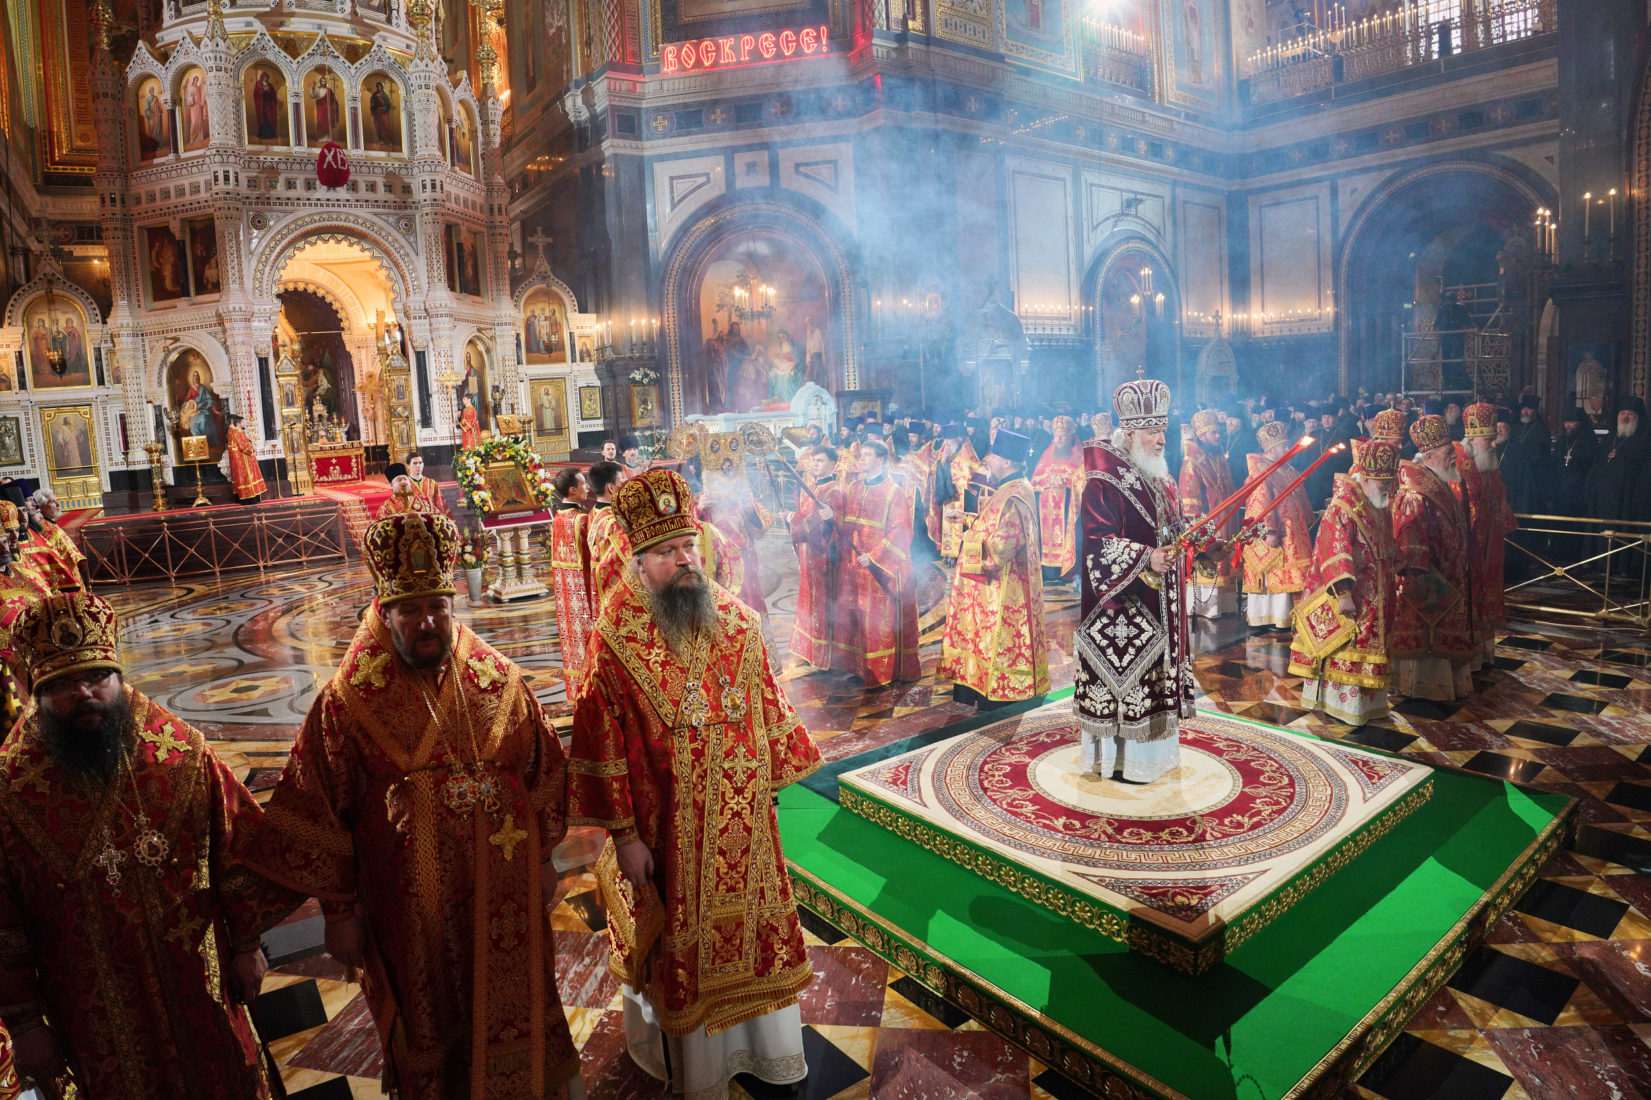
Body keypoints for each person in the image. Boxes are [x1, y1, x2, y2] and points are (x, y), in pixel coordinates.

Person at [246, 513, 584, 1099]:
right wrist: (340, 911)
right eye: (411, 611)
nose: (428, 622)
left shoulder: (499, 682)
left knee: (524, 1005)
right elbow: (318, 811)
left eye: (438, 607)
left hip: (505, 894)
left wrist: (547, 853)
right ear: (383, 612)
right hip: (411, 919)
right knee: (431, 1024)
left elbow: (544, 771)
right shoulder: (345, 704)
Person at [568, 469, 820, 1100]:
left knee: (757, 941)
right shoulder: (614, 640)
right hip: (668, 836)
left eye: (688, 546)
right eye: (665, 552)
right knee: (680, 956)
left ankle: (767, 1053)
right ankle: (698, 1069)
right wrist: (624, 837)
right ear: (639, 558)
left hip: (745, 834)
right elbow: (603, 750)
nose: (684, 560)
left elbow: (768, 709)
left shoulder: (737, 623)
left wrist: (769, 790)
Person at [0, 590, 302, 1098]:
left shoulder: (181, 755)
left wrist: (248, 944)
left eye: (97, 677)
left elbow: (239, 849)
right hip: (90, 1014)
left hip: (199, 986)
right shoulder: (9, 791)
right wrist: (26, 1023)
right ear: (36, 692)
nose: (84, 693)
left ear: (119, 676)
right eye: (63, 685)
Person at [1075, 376, 1193, 783]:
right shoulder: (1103, 481)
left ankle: (1154, 759)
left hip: (1161, 603)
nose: (1162, 440)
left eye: (1163, 430)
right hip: (1123, 607)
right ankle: (1122, 762)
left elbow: (1171, 528)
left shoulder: (1162, 477)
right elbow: (1094, 544)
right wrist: (1146, 557)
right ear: (1129, 432)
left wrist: (1194, 538)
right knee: (1129, 683)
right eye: (1152, 432)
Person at [1289, 439, 1401, 724]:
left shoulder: (1379, 503)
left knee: (1371, 650)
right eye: (1381, 483)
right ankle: (1344, 708)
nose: (1387, 489)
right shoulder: (1342, 507)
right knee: (1346, 648)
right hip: (1353, 596)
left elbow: (1386, 544)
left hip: (1377, 595)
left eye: (1390, 482)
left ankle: (1369, 707)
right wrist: (1343, 594)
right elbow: (1334, 552)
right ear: (1363, 479)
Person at [938, 429, 1048, 710]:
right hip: (992, 588)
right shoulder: (1009, 489)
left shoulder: (1015, 495)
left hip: (1005, 591)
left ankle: (997, 697)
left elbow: (1002, 546)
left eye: (993, 458)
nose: (987, 463)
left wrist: (966, 539)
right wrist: (968, 519)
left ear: (1007, 462)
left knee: (996, 643)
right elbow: (995, 524)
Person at [1391, 415, 1477, 702]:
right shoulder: (1415, 491)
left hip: (1450, 574)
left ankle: (1446, 683)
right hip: (1430, 576)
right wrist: (1417, 573)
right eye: (1447, 452)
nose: (1454, 455)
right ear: (1428, 455)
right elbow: (1409, 535)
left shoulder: (1441, 481)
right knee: (1427, 631)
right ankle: (1423, 687)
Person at [834, 438, 920, 686]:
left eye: (868, 455)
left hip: (881, 569)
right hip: (856, 564)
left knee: (880, 620)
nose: (861, 459)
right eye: (861, 455)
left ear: (881, 460)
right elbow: (845, 521)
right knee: (858, 616)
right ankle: (862, 669)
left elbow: (902, 532)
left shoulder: (894, 491)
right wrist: (834, 516)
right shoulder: (853, 488)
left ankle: (883, 672)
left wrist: (873, 557)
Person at [1457, 403, 1517, 667]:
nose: (1494, 446)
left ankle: (1481, 654)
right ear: (1472, 438)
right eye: (1489, 440)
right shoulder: (1457, 464)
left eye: (1494, 440)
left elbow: (1499, 500)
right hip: (1467, 550)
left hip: (1489, 549)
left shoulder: (1488, 465)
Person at [1241, 420, 1313, 630]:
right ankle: (1271, 617)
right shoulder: (1260, 470)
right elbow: (1259, 501)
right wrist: (1269, 530)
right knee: (1275, 571)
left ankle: (1286, 617)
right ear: (1272, 448)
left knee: (1290, 571)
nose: (1287, 448)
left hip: (1293, 530)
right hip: (1277, 532)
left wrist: (1308, 516)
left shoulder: (1287, 468)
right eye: (1283, 445)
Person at [1178, 408, 1242, 621]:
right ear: (1202, 436)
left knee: (1225, 561)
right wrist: (1199, 529)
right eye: (1213, 433)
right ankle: (1206, 608)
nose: (1218, 436)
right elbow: (1190, 502)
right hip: (1208, 524)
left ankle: (1223, 607)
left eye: (1218, 432)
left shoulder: (1219, 458)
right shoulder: (1192, 463)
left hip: (1226, 521)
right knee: (1210, 562)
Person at [788, 446, 847, 671]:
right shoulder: (811, 487)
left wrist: (791, 518)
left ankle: (824, 655)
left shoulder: (834, 491)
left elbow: (819, 525)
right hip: (808, 555)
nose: (815, 465)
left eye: (820, 461)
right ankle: (808, 649)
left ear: (833, 464)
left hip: (824, 557)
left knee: (822, 605)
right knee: (807, 602)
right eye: (813, 461)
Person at [551, 467, 596, 699]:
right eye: (583, 484)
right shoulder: (582, 520)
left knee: (574, 644)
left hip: (567, 600)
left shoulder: (558, 518)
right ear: (572, 490)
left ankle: (577, 690)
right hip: (585, 594)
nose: (587, 487)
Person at [1030, 416, 1085, 585]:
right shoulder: (1046, 458)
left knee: (1066, 537)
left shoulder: (1078, 458)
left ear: (1071, 438)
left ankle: (1065, 572)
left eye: (1063, 436)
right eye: (1057, 436)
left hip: (1067, 508)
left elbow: (1081, 483)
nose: (1059, 440)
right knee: (1044, 539)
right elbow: (1035, 483)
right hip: (1045, 510)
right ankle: (1047, 573)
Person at [1585, 396, 1651, 522]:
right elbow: (1596, 467)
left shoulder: (1646, 441)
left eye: (1630, 414)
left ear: (1638, 417)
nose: (1625, 417)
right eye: (1622, 413)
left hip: (1628, 499)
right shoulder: (1609, 439)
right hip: (1603, 499)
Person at [1500, 394, 1550, 516]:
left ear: (1535, 411)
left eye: (1529, 409)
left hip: (1534, 474)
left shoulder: (1541, 430)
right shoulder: (1515, 427)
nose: (1525, 412)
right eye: (1523, 408)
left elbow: (1543, 457)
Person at [27, 489, 88, 589]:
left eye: (56, 500)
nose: (58, 504)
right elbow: (72, 556)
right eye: (52, 502)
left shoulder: (49, 523)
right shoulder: (48, 528)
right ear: (41, 506)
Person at [225, 414, 266, 503]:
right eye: (243, 422)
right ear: (238, 423)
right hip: (244, 459)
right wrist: (252, 448)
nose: (244, 424)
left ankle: (241, 498)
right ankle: (251, 498)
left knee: (241, 478)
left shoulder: (230, 431)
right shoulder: (238, 433)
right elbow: (244, 447)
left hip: (237, 459)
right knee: (248, 477)